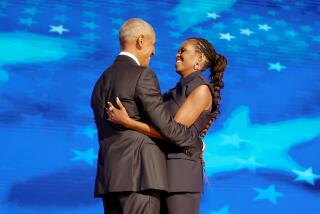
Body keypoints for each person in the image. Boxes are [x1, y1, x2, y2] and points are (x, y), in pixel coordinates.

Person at [90, 18, 202, 214]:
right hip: (140, 177)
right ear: (141, 41)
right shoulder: (142, 75)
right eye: (153, 44)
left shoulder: (100, 82)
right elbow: (166, 127)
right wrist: (196, 143)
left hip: (109, 179)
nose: (154, 52)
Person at [106, 37, 227, 214]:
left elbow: (173, 132)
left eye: (183, 50)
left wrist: (127, 122)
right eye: (178, 50)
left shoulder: (201, 89)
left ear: (199, 59)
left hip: (181, 176)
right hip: (158, 173)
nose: (177, 54)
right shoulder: (172, 93)